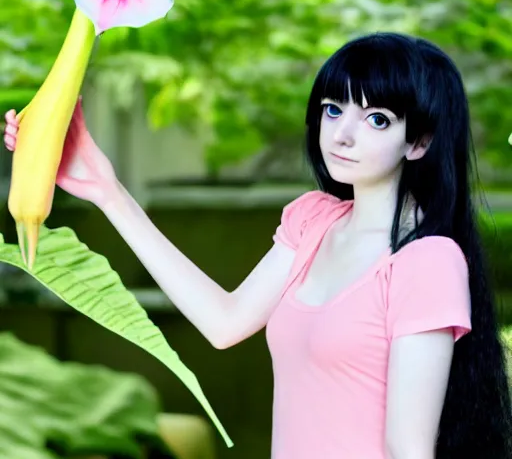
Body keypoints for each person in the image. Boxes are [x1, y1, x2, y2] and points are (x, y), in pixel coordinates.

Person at [4, 32, 512, 458]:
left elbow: (409, 452)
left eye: (377, 118)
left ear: (418, 142)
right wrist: (106, 191)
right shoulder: (313, 220)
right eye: (334, 110)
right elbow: (224, 323)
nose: (343, 135)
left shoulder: (428, 261)